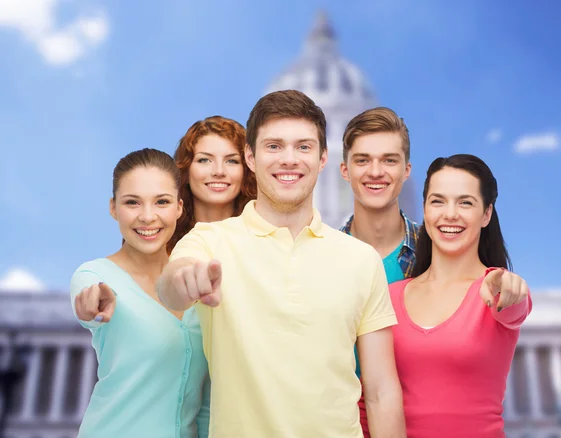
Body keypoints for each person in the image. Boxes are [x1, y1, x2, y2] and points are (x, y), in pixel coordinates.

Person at [157, 90, 407, 437]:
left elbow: (381, 391)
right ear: (251, 158)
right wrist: (184, 280)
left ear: (323, 159)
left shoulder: (361, 259)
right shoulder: (210, 241)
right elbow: (171, 285)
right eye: (274, 146)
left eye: (303, 147)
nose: (289, 159)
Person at [389, 154, 532, 438]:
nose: (450, 214)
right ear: (424, 209)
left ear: (487, 214)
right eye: (438, 201)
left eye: (465, 202)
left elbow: (515, 306)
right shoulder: (390, 296)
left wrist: (510, 287)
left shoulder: (496, 289)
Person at [70, 149, 210, 438]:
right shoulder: (95, 276)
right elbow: (88, 304)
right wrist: (91, 308)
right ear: (113, 208)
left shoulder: (195, 280)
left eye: (162, 202)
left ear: (179, 208)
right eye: (132, 203)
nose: (148, 217)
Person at [339, 107, 420, 436]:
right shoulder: (320, 260)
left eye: (389, 160)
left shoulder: (439, 254)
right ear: (344, 170)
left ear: (407, 170)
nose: (376, 172)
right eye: (362, 160)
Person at [168, 115, 256, 253]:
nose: (219, 171)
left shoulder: (266, 241)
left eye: (231, 161)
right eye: (205, 160)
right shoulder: (163, 243)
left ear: (247, 170)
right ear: (185, 169)